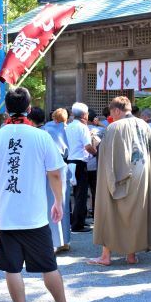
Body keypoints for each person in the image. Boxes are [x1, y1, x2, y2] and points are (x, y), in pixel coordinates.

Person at [0, 88, 84, 302]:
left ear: (6, 109)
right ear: (29, 108)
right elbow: (55, 173)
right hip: (35, 216)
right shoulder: (41, 136)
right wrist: (58, 201)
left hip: (6, 217)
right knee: (49, 266)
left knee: (12, 269)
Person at [88, 96, 151, 266]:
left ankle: (105, 256)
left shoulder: (115, 127)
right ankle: (131, 255)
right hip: (143, 175)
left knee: (110, 210)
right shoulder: (145, 125)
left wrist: (98, 143)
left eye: (111, 113)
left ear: (116, 110)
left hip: (121, 175)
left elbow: (108, 157)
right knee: (136, 213)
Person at [43, 108, 72, 252]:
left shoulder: (45, 128)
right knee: (64, 203)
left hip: (49, 167)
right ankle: (66, 240)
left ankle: (55, 241)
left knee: (53, 202)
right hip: (64, 166)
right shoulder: (69, 129)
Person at [65, 102, 96, 233]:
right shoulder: (83, 127)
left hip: (70, 161)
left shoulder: (69, 126)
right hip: (80, 162)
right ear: (84, 115)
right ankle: (78, 225)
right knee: (81, 194)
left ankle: (77, 221)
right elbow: (88, 146)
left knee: (76, 193)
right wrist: (97, 153)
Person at [86, 110, 104, 218]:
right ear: (94, 119)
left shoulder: (79, 129)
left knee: (81, 191)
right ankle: (95, 212)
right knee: (95, 190)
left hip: (82, 163)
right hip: (95, 164)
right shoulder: (101, 130)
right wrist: (99, 123)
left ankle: (83, 212)